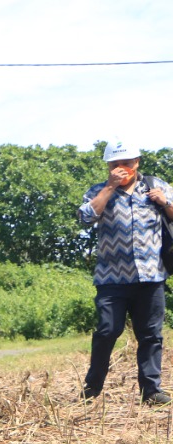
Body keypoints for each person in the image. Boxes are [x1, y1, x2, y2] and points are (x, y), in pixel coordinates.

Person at [79, 141, 172, 406]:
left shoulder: (156, 186)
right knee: (108, 330)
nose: (122, 169)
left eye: (126, 163)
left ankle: (151, 391)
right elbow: (86, 217)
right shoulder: (99, 190)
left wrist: (165, 203)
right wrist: (109, 187)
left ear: (137, 162)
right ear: (108, 167)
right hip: (112, 279)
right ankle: (92, 388)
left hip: (151, 276)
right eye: (115, 165)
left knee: (151, 335)